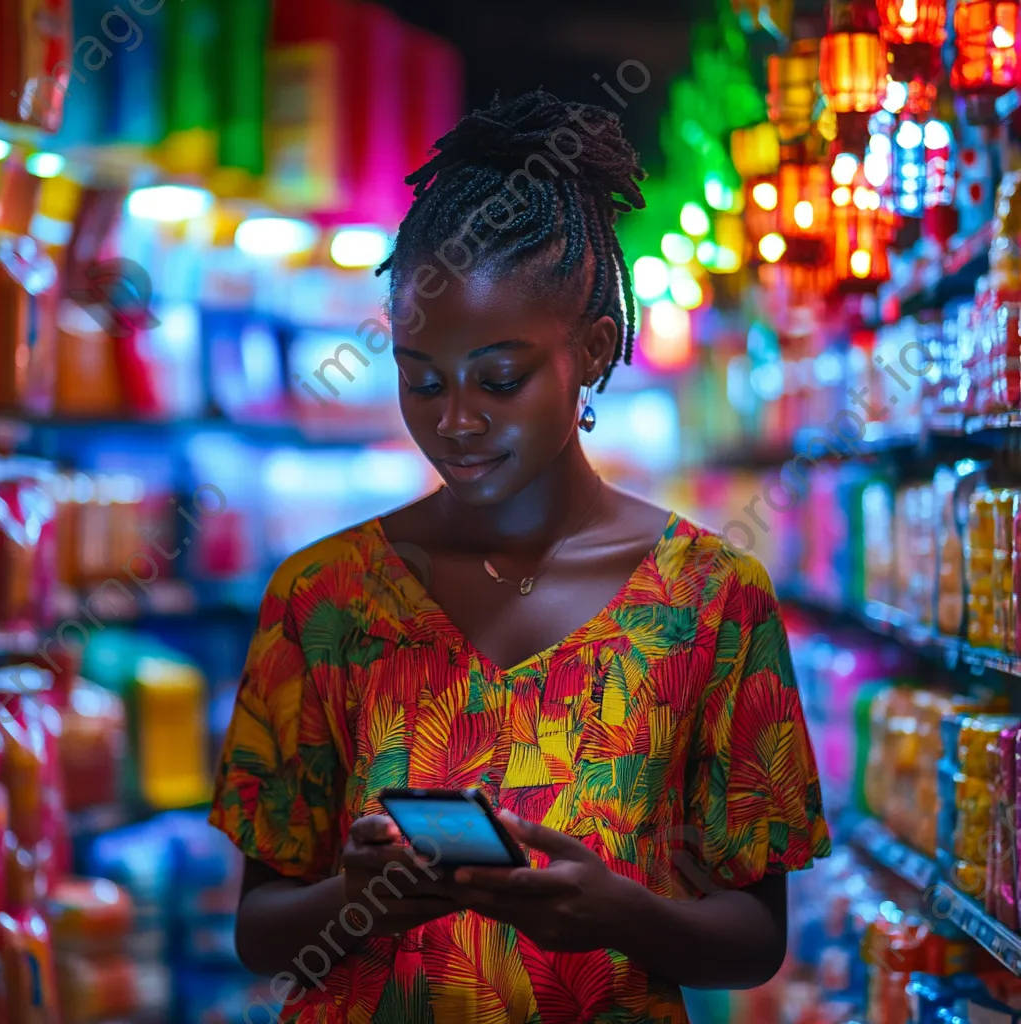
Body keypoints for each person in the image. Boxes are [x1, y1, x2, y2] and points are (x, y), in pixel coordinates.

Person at [209, 90, 831, 1024]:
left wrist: (620, 913)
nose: (455, 421)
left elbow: (755, 939)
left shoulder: (708, 599)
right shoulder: (324, 598)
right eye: (422, 379)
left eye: (501, 379)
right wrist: (360, 897)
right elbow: (259, 931)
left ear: (593, 351)